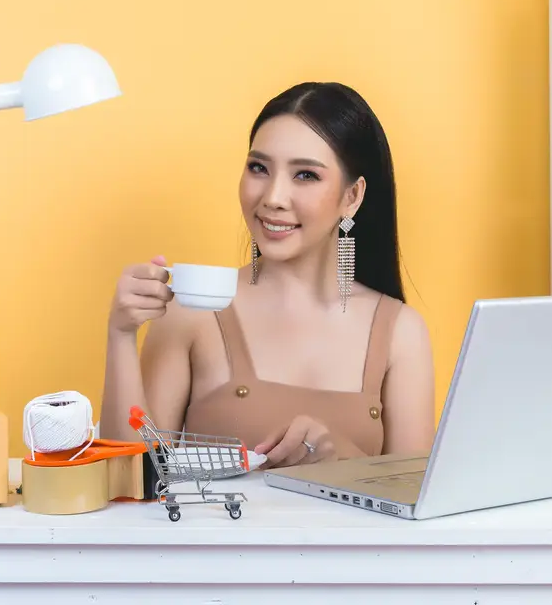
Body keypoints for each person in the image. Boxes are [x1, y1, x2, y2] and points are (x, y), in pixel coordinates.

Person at [100, 82, 435, 468]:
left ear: (352, 197)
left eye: (306, 175)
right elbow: (126, 479)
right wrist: (121, 335)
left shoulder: (400, 332)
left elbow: (411, 504)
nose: (273, 197)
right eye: (259, 168)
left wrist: (339, 454)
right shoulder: (191, 313)